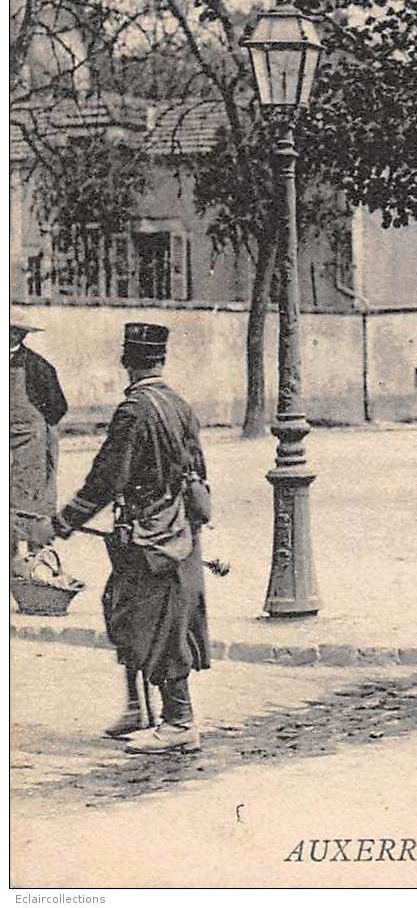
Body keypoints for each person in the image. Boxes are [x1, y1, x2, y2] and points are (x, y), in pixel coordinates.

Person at [55, 323, 211, 753]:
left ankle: (179, 721)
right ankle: (139, 708)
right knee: (130, 611)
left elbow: (108, 475)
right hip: (176, 528)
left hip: (148, 534)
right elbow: (199, 467)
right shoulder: (179, 404)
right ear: (160, 361)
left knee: (153, 622)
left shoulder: (134, 410)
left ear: (127, 363)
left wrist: (67, 519)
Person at [10, 319, 67, 566]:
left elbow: (57, 408)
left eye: (15, 332)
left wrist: (29, 429)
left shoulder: (38, 366)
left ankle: (35, 573)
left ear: (20, 335)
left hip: (29, 450)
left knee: (31, 510)